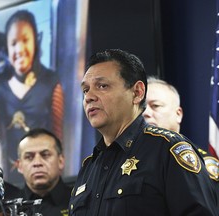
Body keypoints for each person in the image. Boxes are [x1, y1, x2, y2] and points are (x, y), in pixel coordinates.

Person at [69, 49, 218, 215]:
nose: (89, 97)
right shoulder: (89, 166)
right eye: (85, 90)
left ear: (137, 93)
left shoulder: (167, 150)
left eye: (102, 86)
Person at [0, 10, 64, 184]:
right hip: (9, 177)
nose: (19, 49)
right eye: (14, 43)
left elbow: (59, 135)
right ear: (7, 48)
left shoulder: (51, 82)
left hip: (46, 176)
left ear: (35, 42)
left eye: (25, 40)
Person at [143, 77, 219, 194]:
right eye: (141, 107)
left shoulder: (202, 164)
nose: (145, 113)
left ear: (178, 114)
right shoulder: (123, 158)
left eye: (155, 106)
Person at [17, 128, 72, 216]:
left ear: (61, 161)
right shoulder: (6, 209)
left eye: (45, 155)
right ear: (19, 165)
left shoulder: (80, 201)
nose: (37, 163)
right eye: (29, 157)